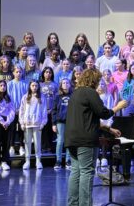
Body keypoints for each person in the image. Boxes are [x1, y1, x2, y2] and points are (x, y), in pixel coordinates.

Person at [65, 68, 127, 206]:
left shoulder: (75, 94)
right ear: (93, 80)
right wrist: (118, 107)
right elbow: (103, 113)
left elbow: (88, 118)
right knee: (87, 172)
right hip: (85, 140)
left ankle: (73, 204)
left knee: (75, 172)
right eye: (98, 80)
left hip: (71, 139)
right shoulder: (90, 93)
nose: (99, 83)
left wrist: (108, 129)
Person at [19, 81, 47, 169]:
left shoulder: (42, 97)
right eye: (32, 85)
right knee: (27, 143)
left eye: (36, 85)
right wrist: (22, 122)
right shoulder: (25, 97)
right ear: (30, 86)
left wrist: (43, 122)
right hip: (27, 124)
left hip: (37, 124)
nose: (34, 87)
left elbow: (44, 110)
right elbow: (22, 111)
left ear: (38, 87)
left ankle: (38, 161)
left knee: (37, 143)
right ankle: (27, 161)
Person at [0, 82, 15, 171]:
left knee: (6, 141)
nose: (3, 87)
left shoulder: (9, 97)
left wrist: (7, 121)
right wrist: (2, 121)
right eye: (1, 85)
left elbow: (12, 110)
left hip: (7, 120)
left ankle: (4, 161)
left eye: (4, 86)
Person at [52, 78, 73, 170]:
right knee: (60, 141)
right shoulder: (57, 96)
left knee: (69, 141)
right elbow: (54, 110)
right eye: (63, 83)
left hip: (71, 121)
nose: (65, 84)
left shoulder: (73, 96)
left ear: (69, 84)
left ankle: (68, 160)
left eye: (67, 83)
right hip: (60, 121)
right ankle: (58, 161)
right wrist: (53, 123)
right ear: (61, 85)